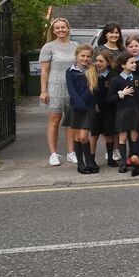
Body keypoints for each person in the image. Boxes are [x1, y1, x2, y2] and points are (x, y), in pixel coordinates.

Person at [39, 17, 80, 167]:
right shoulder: (48, 47)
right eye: (57, 28)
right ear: (53, 30)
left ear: (68, 28)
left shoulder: (76, 46)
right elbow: (44, 71)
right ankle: (53, 154)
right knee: (54, 120)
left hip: (73, 88)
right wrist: (43, 91)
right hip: (54, 87)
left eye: (63, 27)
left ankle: (71, 152)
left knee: (71, 122)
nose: (61, 30)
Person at [65, 44, 99, 174]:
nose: (85, 58)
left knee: (84, 136)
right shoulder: (70, 71)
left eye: (88, 56)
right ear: (77, 56)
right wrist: (78, 102)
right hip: (75, 107)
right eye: (82, 56)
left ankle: (90, 161)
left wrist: (82, 102)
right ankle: (81, 164)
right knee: (77, 137)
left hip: (87, 107)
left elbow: (91, 89)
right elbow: (71, 89)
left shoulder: (92, 70)